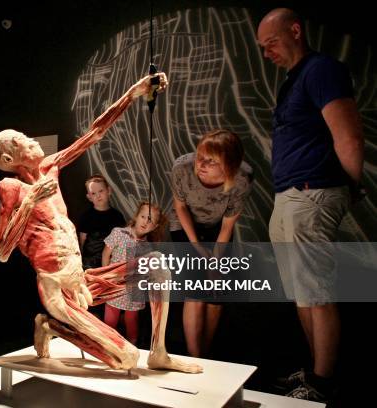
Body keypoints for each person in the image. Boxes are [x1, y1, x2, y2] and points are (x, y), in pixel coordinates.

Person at [0, 72, 202, 373]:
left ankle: (159, 352)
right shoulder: (11, 188)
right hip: (56, 288)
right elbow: (2, 251)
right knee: (126, 358)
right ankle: (51, 325)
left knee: (156, 263)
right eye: (23, 141)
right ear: (10, 159)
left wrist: (133, 92)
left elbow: (95, 133)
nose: (32, 139)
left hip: (82, 277)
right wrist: (30, 200)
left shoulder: (50, 168)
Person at [257, 8, 364, 402]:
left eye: (271, 42)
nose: (266, 52)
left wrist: (349, 187)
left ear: (296, 31)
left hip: (312, 192)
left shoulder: (321, 70)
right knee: (303, 292)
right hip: (290, 196)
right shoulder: (294, 79)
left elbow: (349, 135)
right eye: (261, 47)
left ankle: (324, 381)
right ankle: (315, 368)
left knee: (315, 291)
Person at [169, 129, 253, 358]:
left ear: (228, 164)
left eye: (211, 161)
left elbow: (227, 226)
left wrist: (215, 261)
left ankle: (206, 354)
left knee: (216, 293)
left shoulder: (242, 179)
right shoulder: (181, 169)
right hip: (185, 227)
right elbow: (180, 207)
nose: (201, 164)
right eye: (199, 156)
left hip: (218, 228)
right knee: (196, 291)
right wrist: (196, 247)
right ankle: (195, 358)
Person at [102, 202, 168, 345]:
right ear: (136, 217)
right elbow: (106, 254)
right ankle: (108, 345)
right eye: (143, 216)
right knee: (110, 319)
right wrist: (105, 277)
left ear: (155, 226)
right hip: (114, 283)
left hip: (134, 288)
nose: (145, 221)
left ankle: (133, 346)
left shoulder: (148, 246)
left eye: (150, 220)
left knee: (132, 320)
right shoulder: (118, 233)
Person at [78, 175, 126, 270]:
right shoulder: (86, 216)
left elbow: (122, 239)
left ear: (109, 191)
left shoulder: (117, 216)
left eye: (101, 191)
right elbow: (82, 240)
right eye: (93, 193)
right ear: (89, 197)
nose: (98, 195)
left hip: (110, 260)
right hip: (90, 262)